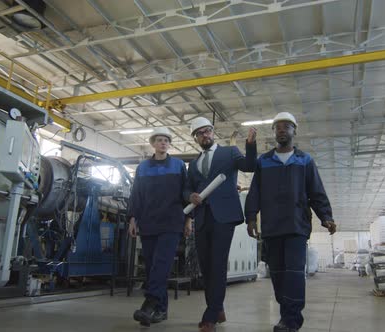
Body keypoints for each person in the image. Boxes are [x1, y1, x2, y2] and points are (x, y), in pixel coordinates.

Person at [245, 112, 337, 332]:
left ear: (295, 131)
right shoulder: (264, 161)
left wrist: (326, 216)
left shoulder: (304, 160)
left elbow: (316, 191)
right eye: (277, 127)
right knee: (276, 274)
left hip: (297, 226)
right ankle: (287, 313)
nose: (281, 130)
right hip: (272, 227)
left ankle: (291, 320)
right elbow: (255, 192)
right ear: (274, 132)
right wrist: (250, 217)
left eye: (286, 126)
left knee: (294, 274)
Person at [187, 117, 257, 332]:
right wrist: (190, 195)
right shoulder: (193, 164)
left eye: (207, 131)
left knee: (217, 263)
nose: (205, 135)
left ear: (213, 132)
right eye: (200, 133)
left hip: (223, 216)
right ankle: (218, 308)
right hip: (201, 218)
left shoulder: (229, 153)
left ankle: (210, 315)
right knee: (206, 266)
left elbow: (250, 165)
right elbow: (187, 188)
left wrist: (251, 145)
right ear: (196, 138)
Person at [128, 127, 192, 327]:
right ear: (153, 144)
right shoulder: (143, 167)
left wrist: (188, 219)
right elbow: (136, 194)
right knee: (152, 267)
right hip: (148, 222)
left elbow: (186, 193)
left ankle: (149, 304)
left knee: (161, 264)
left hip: (171, 222)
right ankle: (161, 310)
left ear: (169, 144)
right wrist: (132, 218)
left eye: (166, 140)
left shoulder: (179, 165)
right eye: (159, 140)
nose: (163, 143)